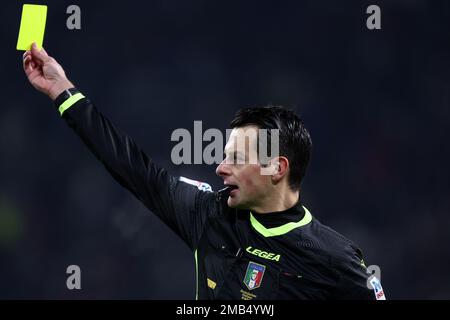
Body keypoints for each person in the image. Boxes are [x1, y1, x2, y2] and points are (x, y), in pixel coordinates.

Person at [22, 43, 385, 300]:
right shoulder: (207, 213)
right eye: (224, 155)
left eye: (236, 159)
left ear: (277, 167)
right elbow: (133, 167)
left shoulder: (334, 258)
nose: (220, 167)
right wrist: (62, 91)